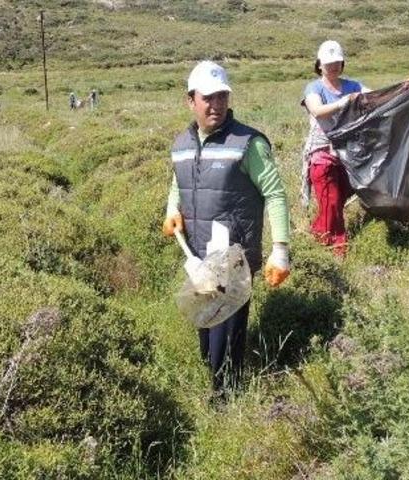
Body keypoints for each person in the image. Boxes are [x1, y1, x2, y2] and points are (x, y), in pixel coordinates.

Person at [162, 60, 291, 398]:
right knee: (207, 340)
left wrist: (280, 250)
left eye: (222, 97)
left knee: (225, 343)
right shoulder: (181, 144)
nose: (216, 105)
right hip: (199, 258)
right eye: (208, 98)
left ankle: (226, 400)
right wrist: (172, 208)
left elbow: (275, 194)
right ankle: (219, 386)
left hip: (234, 261)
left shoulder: (248, 143)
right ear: (191, 101)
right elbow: (177, 182)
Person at [300, 40, 371, 257]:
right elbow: (317, 110)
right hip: (322, 153)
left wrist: (403, 88)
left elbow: (376, 97)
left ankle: (316, 236)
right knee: (330, 202)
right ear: (319, 65)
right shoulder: (314, 88)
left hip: (349, 153)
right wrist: (344, 102)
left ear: (342, 64)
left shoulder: (354, 86)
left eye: (337, 62)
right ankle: (338, 249)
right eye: (328, 63)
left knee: (336, 201)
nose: (332, 67)